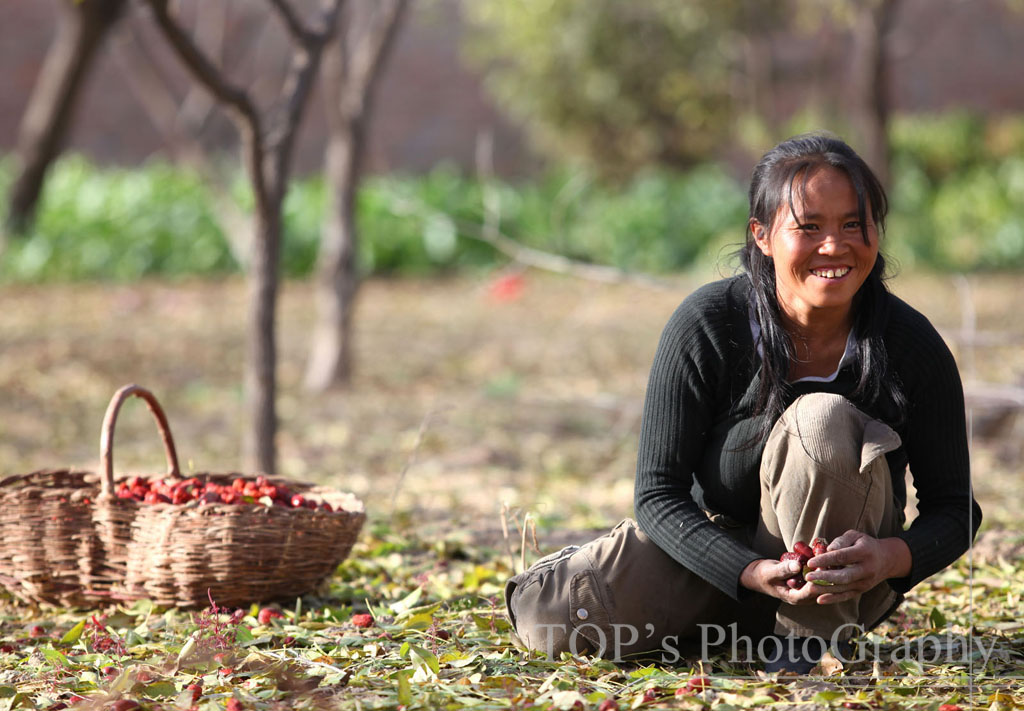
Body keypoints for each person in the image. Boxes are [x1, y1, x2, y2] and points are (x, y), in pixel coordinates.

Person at [503, 133, 982, 672]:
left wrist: (893, 558)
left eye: (853, 224)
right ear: (761, 235)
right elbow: (657, 494)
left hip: (840, 586)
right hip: (721, 558)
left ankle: (807, 647)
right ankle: (736, 622)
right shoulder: (708, 324)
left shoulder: (909, 344)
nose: (835, 245)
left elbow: (956, 509)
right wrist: (749, 572)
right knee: (552, 622)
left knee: (821, 418)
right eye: (809, 227)